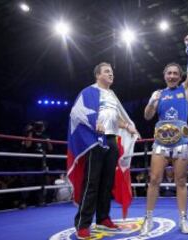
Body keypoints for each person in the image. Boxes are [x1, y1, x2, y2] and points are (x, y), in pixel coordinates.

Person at [67, 62, 139, 239]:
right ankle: (82, 224)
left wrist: (127, 126)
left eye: (112, 72)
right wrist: (94, 122)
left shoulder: (113, 95)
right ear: (97, 75)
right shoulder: (89, 92)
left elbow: (114, 119)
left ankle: (103, 217)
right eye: (107, 72)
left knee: (107, 182)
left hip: (112, 139)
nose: (111, 74)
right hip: (95, 140)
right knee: (92, 183)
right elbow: (76, 112)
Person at [140, 35, 188, 235]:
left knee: (181, 181)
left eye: (175, 73)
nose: (172, 76)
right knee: (154, 179)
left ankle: (183, 219)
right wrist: (151, 102)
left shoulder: (186, 89)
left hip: (181, 141)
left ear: (180, 75)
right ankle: (148, 219)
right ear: (164, 75)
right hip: (160, 142)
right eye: (169, 73)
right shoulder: (158, 93)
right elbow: (147, 116)